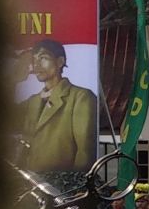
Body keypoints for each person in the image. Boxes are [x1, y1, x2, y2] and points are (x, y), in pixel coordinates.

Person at [18, 38, 98, 172]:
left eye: (43, 58)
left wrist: (76, 187)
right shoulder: (32, 101)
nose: (36, 64)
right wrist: (13, 79)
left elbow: (85, 152)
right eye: (34, 59)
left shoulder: (81, 97)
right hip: (32, 186)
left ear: (60, 62)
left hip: (62, 187)